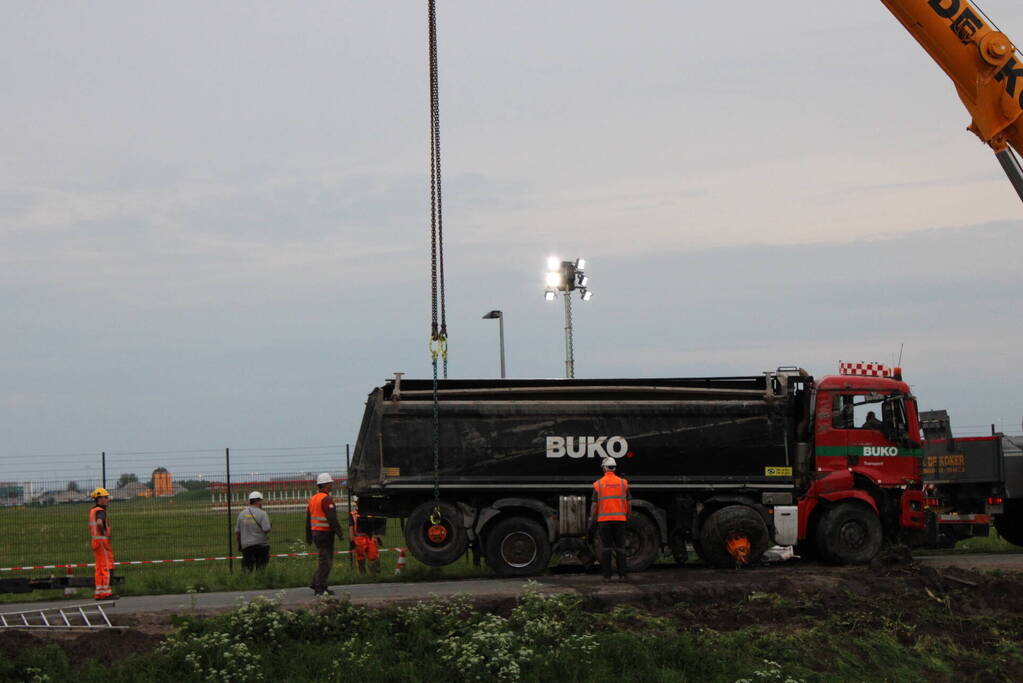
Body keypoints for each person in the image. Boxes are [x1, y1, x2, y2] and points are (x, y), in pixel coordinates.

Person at [590, 457, 631, 582]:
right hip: (620, 520)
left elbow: (594, 505)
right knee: (620, 548)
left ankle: (607, 576)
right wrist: (626, 516)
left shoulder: (599, 484)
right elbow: (629, 503)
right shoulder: (623, 483)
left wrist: (593, 520)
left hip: (604, 521)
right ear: (615, 468)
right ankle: (622, 575)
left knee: (606, 548)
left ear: (604, 468)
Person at [306, 473, 345, 595]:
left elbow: (308, 520)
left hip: (316, 533)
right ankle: (319, 588)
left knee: (323, 559)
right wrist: (339, 533)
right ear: (325, 485)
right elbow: (332, 518)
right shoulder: (326, 499)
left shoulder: (312, 499)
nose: (331, 486)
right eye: (330, 484)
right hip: (325, 534)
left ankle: (316, 583)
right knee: (326, 561)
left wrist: (308, 536)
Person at [88, 487, 117, 600]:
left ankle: (99, 592)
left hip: (95, 542)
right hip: (102, 542)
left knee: (99, 568)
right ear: (99, 499)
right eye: (105, 497)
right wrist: (105, 531)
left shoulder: (92, 511)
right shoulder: (100, 511)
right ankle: (106, 593)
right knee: (105, 567)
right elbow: (100, 522)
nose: (107, 499)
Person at [236, 491, 271, 571]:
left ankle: (247, 582)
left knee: (247, 569)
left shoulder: (241, 514)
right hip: (261, 545)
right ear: (257, 501)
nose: (261, 502)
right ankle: (260, 581)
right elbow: (266, 529)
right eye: (261, 500)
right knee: (261, 569)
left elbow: (237, 532)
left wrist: (240, 545)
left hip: (246, 546)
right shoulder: (263, 513)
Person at [349, 497, 381, 575]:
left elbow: (374, 527)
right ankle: (363, 574)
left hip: (370, 538)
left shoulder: (370, 513)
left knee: (374, 556)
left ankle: (375, 573)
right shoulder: (353, 514)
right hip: (358, 539)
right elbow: (351, 528)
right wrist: (352, 540)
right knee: (360, 557)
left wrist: (377, 537)